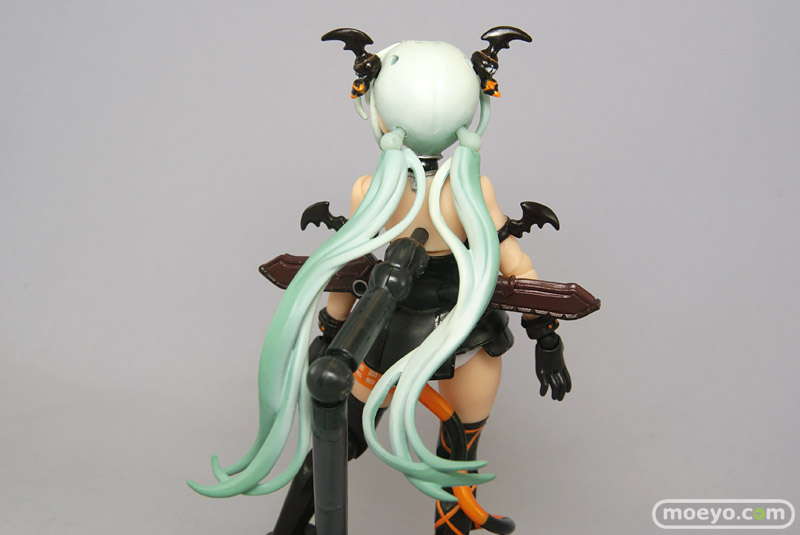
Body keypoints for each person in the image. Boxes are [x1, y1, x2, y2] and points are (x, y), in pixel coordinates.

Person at [189, 27, 574, 535]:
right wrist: (546, 336)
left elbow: (346, 269)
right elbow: (517, 266)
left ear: (380, 112)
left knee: (339, 439)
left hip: (393, 330)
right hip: (460, 332)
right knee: (459, 459)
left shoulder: (372, 189)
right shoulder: (472, 188)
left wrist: (332, 330)